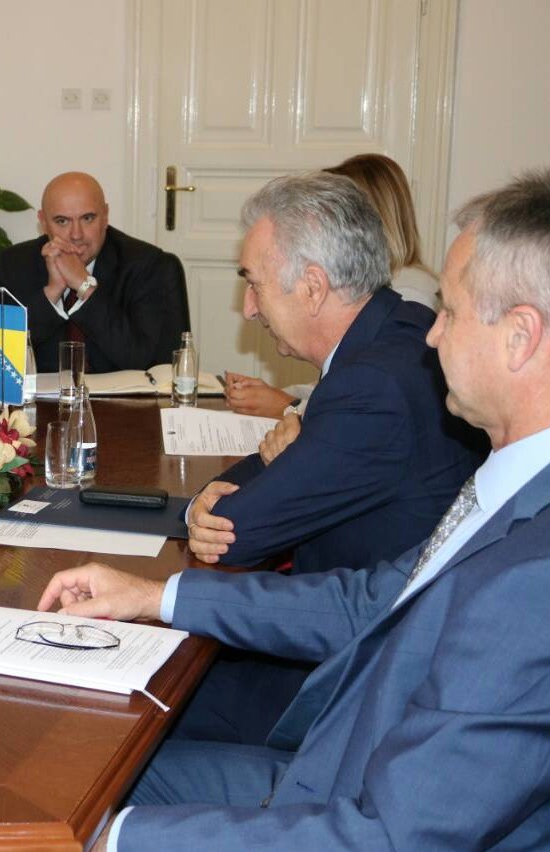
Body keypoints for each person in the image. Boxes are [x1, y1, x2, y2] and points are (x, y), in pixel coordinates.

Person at [39, 168, 550, 850]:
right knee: (67, 766)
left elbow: (389, 837)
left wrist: (112, 841)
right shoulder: (516, 484)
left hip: (346, 787)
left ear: (520, 336)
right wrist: (153, 596)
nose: (432, 337)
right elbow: (368, 602)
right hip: (349, 757)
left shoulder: (533, 575)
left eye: (451, 314)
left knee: (70, 781)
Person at [176, 173, 483, 746]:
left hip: (353, 683)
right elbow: (279, 461)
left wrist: (213, 505)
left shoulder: (373, 385)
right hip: (370, 640)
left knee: (137, 702)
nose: (248, 307)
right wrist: (207, 499)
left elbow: (236, 534)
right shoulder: (399, 327)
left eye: (254, 284)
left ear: (313, 287)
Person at [227, 153, 440, 417]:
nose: (248, 309)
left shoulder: (407, 299)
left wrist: (291, 411)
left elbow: (357, 396)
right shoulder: (392, 307)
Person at [0, 172, 188, 373]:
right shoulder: (16, 264)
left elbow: (153, 364)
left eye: (88, 218)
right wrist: (52, 291)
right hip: (45, 393)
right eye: (62, 221)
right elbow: (1, 360)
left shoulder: (149, 266)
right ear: (43, 222)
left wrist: (84, 285)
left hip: (125, 393)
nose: (76, 235)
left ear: (105, 216)